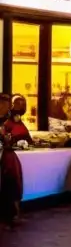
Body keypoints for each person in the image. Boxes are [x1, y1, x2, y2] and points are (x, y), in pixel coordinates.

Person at [0, 94, 29, 227]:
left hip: (8, 157)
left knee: (12, 183)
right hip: (5, 159)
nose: (9, 108)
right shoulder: (5, 122)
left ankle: (11, 214)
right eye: (7, 104)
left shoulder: (5, 120)